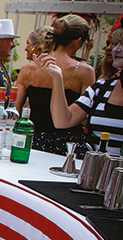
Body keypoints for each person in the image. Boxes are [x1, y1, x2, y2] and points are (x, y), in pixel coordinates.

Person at [16, 17, 95, 155]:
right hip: (69, 144)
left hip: (34, 140)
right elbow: (85, 117)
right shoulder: (84, 72)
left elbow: (15, 111)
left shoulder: (28, 69)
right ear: (78, 41)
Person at [40, 27, 123, 155]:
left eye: (122, 44)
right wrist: (57, 78)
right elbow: (63, 121)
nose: (116, 49)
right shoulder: (101, 88)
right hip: (96, 165)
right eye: (116, 43)